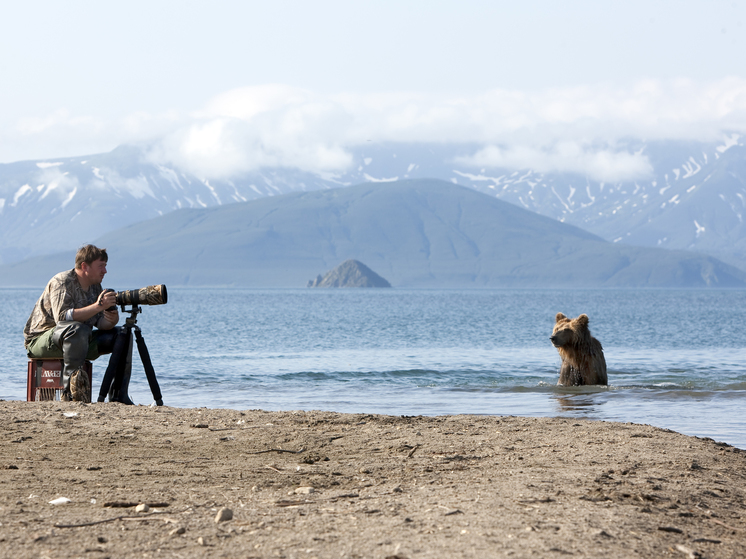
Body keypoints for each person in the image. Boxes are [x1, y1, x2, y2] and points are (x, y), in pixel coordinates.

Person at [24, 244, 122, 402]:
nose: (105, 271)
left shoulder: (95, 286)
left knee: (121, 335)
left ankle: (118, 394)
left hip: (78, 339)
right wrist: (98, 306)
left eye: (105, 266)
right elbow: (62, 318)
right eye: (101, 266)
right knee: (77, 329)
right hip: (40, 340)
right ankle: (69, 392)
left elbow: (100, 323)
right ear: (85, 266)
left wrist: (111, 319)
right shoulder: (62, 281)